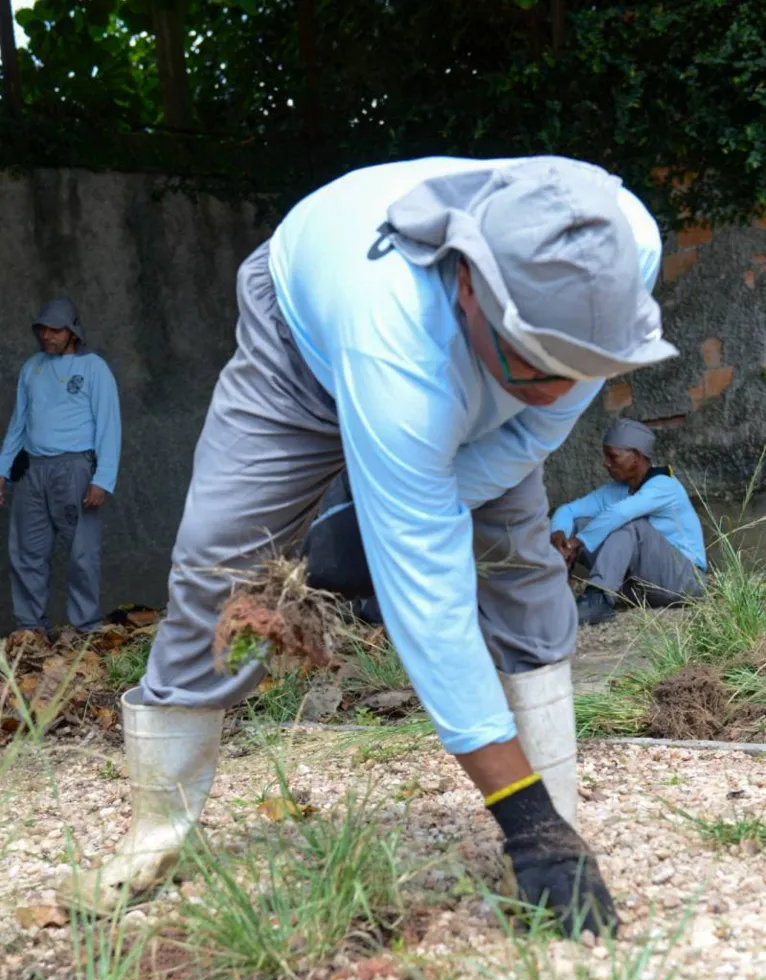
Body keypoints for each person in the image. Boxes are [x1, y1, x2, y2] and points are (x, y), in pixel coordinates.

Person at [58, 156, 678, 935]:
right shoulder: (398, 340)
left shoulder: (621, 254)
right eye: (538, 364)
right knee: (221, 564)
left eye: (581, 366)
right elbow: (431, 607)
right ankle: (157, 834)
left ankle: (562, 804)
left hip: (452, 369)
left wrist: (403, 507)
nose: (559, 388)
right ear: (466, 286)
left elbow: (543, 419)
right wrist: (521, 822)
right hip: (304, 345)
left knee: (519, 562)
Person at [0, 299, 121, 636]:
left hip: (76, 470)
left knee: (82, 552)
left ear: (72, 332)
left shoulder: (94, 368)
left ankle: (85, 627)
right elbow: (18, 424)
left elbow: (109, 425)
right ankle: (30, 628)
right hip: (32, 470)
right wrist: (2, 469)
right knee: (26, 551)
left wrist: (103, 479)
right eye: (43, 329)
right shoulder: (32, 368)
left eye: (55, 330)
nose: (47, 336)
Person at [551, 418, 706, 626]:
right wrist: (560, 537)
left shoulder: (664, 486)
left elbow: (620, 514)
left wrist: (575, 543)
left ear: (637, 457)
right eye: (605, 456)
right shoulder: (616, 490)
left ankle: (598, 599)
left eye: (613, 457)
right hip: (637, 588)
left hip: (683, 582)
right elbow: (568, 511)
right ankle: (555, 590)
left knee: (630, 525)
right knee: (579, 523)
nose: (605, 463)